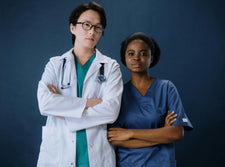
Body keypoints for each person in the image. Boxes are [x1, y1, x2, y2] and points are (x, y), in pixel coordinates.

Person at [36, 2, 123, 167]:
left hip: (96, 155)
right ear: (72, 28)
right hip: (58, 155)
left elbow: (111, 111)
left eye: (98, 27)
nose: (92, 31)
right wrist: (88, 103)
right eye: (86, 25)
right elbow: (45, 104)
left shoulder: (111, 67)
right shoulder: (55, 65)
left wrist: (63, 112)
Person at [108, 32, 193, 167]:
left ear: (151, 58)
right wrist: (162, 134)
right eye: (131, 53)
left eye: (143, 53)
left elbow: (176, 133)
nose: (136, 58)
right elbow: (115, 139)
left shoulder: (166, 88)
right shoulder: (117, 93)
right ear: (124, 58)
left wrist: (130, 133)